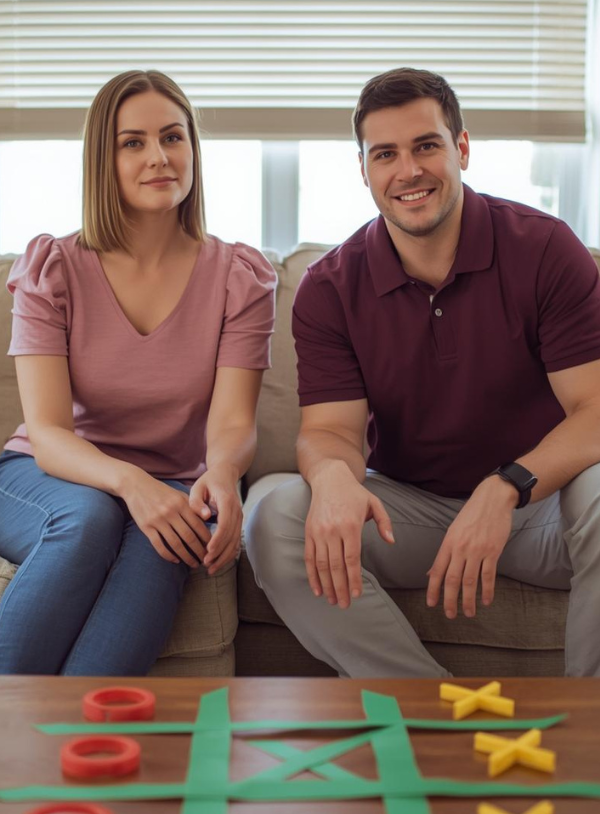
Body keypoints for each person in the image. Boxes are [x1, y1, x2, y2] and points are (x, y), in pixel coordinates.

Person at [246, 67, 600, 678]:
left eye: (426, 146)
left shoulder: (544, 249)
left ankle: (588, 735)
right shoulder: (330, 287)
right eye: (385, 154)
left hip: (542, 511)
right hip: (415, 518)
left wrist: (505, 487)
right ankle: (438, 720)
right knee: (277, 514)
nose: (407, 171)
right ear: (363, 169)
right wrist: (330, 476)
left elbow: (593, 411)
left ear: (461, 148)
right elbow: (329, 430)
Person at [0, 70, 276, 675]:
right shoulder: (52, 268)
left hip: (177, 482)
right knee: (90, 519)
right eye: (133, 142)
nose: (159, 157)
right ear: (104, 157)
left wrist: (225, 474)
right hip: (46, 476)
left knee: (168, 539)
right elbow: (47, 433)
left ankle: (68, 751)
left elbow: (232, 422)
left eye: (173, 138)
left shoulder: (239, 277)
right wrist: (130, 484)